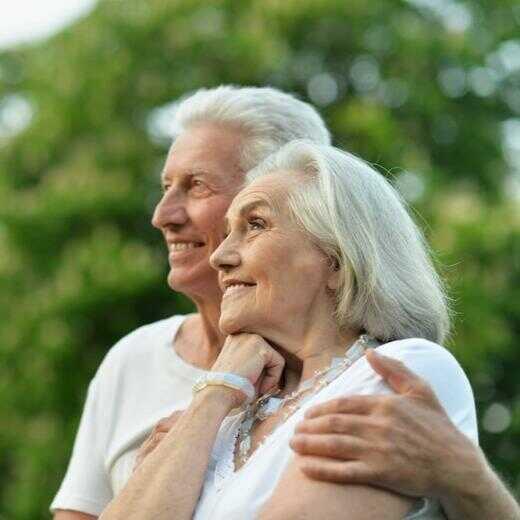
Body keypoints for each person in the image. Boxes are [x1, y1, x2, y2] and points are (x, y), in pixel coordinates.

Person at [52, 87, 520, 520]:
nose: (220, 254)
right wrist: (215, 393)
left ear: (338, 259)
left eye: (254, 224)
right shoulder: (231, 411)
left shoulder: (394, 370)